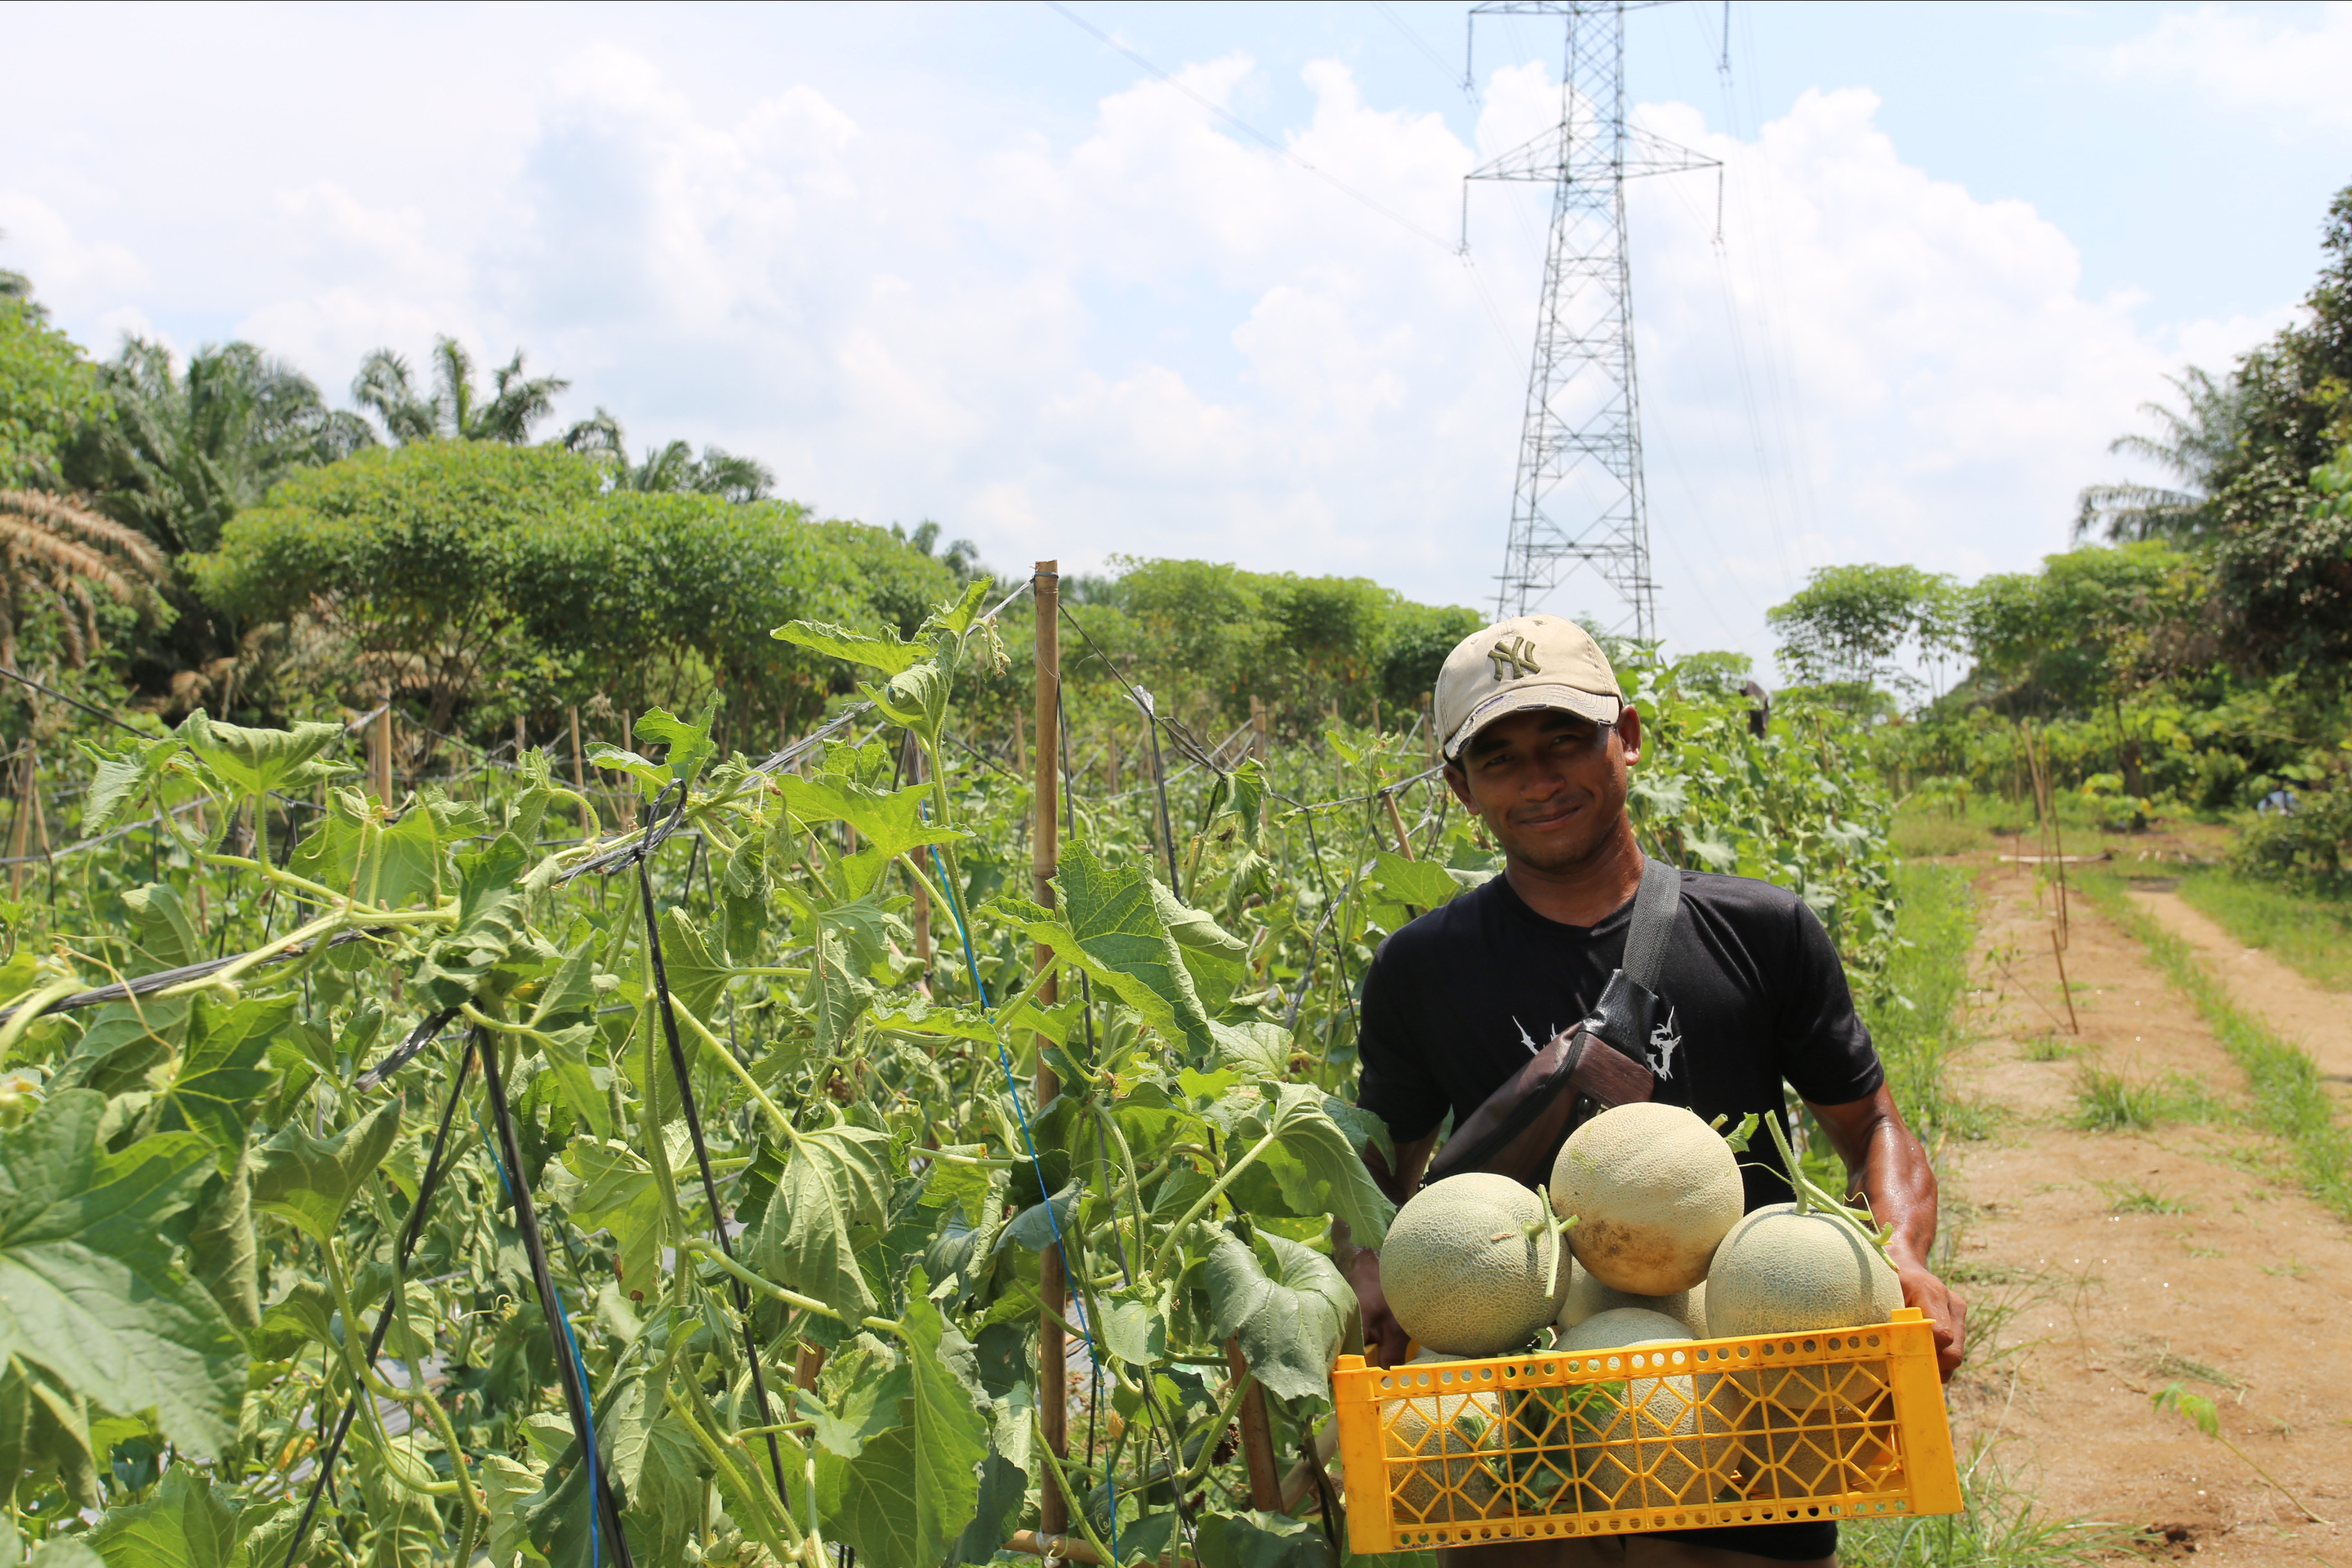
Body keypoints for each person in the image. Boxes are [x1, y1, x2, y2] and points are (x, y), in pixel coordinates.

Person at [1339, 614, 1965, 1568]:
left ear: (1626, 738)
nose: (1540, 780)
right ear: (1461, 787)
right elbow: (1378, 1168)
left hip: (1748, 1404)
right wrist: (1365, 1264)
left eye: (1566, 739)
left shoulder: (1763, 930)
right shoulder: (1420, 969)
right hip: (1517, 1430)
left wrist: (1902, 1251)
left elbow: (1871, 1118)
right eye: (1500, 758)